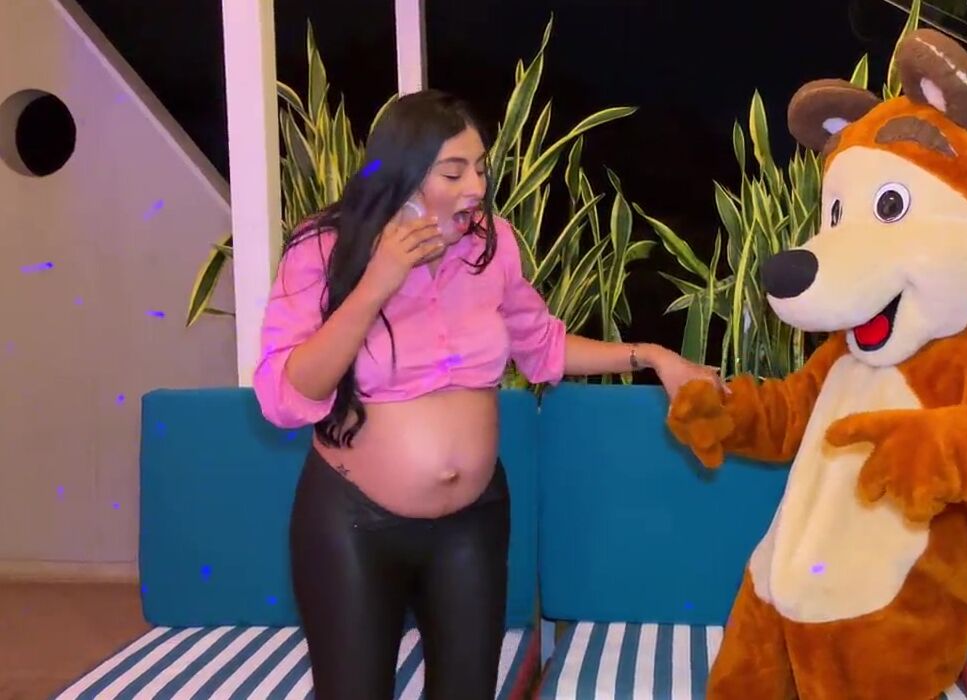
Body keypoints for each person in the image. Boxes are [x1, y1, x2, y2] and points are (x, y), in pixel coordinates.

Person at [251, 89, 722, 700]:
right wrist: (376, 284)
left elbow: (544, 346)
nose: (476, 186)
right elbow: (285, 397)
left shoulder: (490, 244)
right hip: (352, 521)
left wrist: (653, 355)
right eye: (453, 172)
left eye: (480, 167)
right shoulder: (321, 247)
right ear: (402, 174)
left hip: (471, 522)